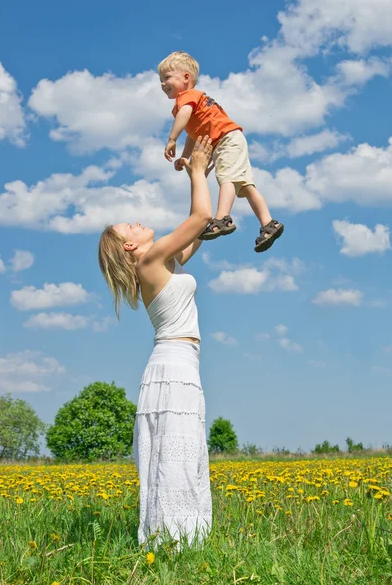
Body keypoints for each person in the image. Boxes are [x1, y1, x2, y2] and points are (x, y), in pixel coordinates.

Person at [98, 136, 213, 547]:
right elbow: (199, 219)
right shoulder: (148, 261)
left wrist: (203, 173)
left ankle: (183, 543)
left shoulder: (161, 260)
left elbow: (198, 229)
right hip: (173, 366)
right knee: (174, 458)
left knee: (183, 455)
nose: (136, 221)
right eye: (128, 226)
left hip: (180, 365)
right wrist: (196, 169)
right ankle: (172, 544)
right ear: (131, 246)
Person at [158, 50, 284, 253]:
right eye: (161, 80)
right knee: (245, 186)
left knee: (226, 178)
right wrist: (185, 156)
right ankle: (269, 223)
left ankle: (222, 218)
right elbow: (193, 134)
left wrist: (172, 139)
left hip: (226, 140)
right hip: (231, 139)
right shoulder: (194, 102)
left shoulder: (186, 98)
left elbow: (184, 115)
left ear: (186, 78)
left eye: (167, 78)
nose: (162, 84)